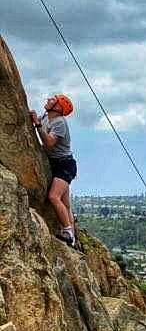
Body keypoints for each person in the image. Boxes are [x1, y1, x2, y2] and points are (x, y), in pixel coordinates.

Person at [29, 93, 78, 247]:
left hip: (65, 165)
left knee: (53, 197)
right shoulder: (46, 116)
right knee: (65, 204)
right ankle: (73, 238)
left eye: (52, 100)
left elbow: (49, 142)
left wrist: (37, 125)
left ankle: (68, 232)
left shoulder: (59, 122)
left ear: (58, 107)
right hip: (56, 163)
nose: (48, 100)